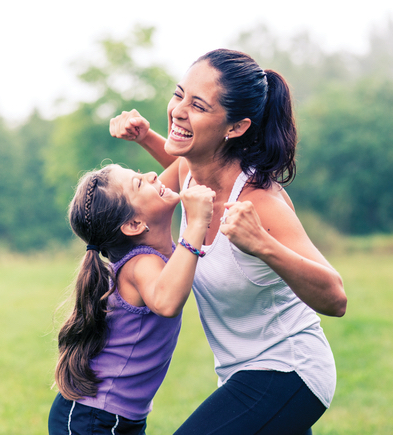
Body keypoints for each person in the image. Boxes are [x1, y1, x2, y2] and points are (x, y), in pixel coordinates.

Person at [110, 49, 347, 434]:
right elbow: (160, 189)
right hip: (240, 373)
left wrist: (263, 246)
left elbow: (336, 298)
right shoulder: (188, 175)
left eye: (198, 105)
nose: (178, 110)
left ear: (235, 128)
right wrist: (147, 137)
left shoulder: (259, 202)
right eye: (179, 94)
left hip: (289, 370)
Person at [48, 163, 215, 434]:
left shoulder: (152, 252)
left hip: (112, 416)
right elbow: (167, 302)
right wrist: (196, 224)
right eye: (139, 182)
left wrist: (145, 136)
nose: (152, 175)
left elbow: (185, 162)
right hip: (95, 418)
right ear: (134, 224)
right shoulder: (141, 264)